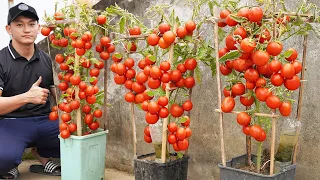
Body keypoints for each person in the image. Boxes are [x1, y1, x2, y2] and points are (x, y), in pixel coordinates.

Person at [0, 3, 61, 179]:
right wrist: (27, 97)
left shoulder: (46, 59)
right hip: (11, 122)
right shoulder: (2, 60)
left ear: (38, 27)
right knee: (3, 159)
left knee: (77, 137)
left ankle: (42, 156)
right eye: (19, 24)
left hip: (44, 120)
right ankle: (10, 162)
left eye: (31, 24)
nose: (27, 29)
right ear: (8, 29)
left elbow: (56, 95)